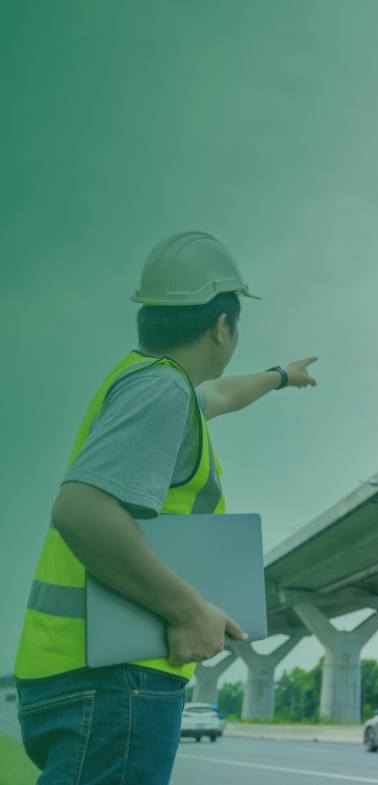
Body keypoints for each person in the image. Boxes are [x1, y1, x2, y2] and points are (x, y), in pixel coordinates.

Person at [13, 231, 318, 784]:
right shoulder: (161, 392)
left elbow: (222, 395)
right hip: (115, 679)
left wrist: (279, 377)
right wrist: (188, 610)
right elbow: (80, 509)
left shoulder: (152, 383)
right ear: (222, 326)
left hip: (82, 671)